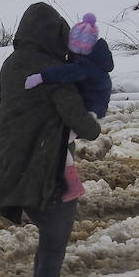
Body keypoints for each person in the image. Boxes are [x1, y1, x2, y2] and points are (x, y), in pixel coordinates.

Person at [0, 2, 101, 277]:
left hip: (13, 166)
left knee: (47, 241)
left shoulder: (11, 65)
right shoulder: (52, 73)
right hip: (45, 171)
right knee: (53, 246)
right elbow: (83, 123)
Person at [23, 12, 113, 201]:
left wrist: (40, 77)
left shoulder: (85, 67)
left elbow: (66, 73)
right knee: (60, 141)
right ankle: (63, 180)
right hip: (93, 109)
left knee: (58, 141)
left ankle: (71, 185)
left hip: (91, 112)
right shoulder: (92, 59)